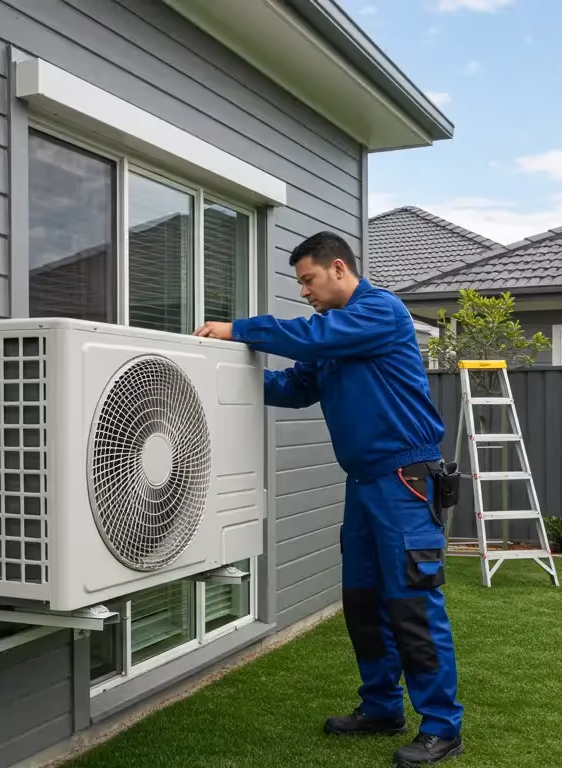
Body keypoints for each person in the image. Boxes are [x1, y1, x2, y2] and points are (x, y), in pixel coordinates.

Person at [195, 231, 464, 766]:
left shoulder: (379, 312)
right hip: (363, 485)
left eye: (308, 280)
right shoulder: (337, 340)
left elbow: (312, 337)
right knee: (363, 602)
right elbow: (295, 387)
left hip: (404, 483)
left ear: (338, 269)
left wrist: (237, 330)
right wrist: (212, 374)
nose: (304, 292)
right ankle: (382, 707)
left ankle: (442, 726)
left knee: (412, 603)